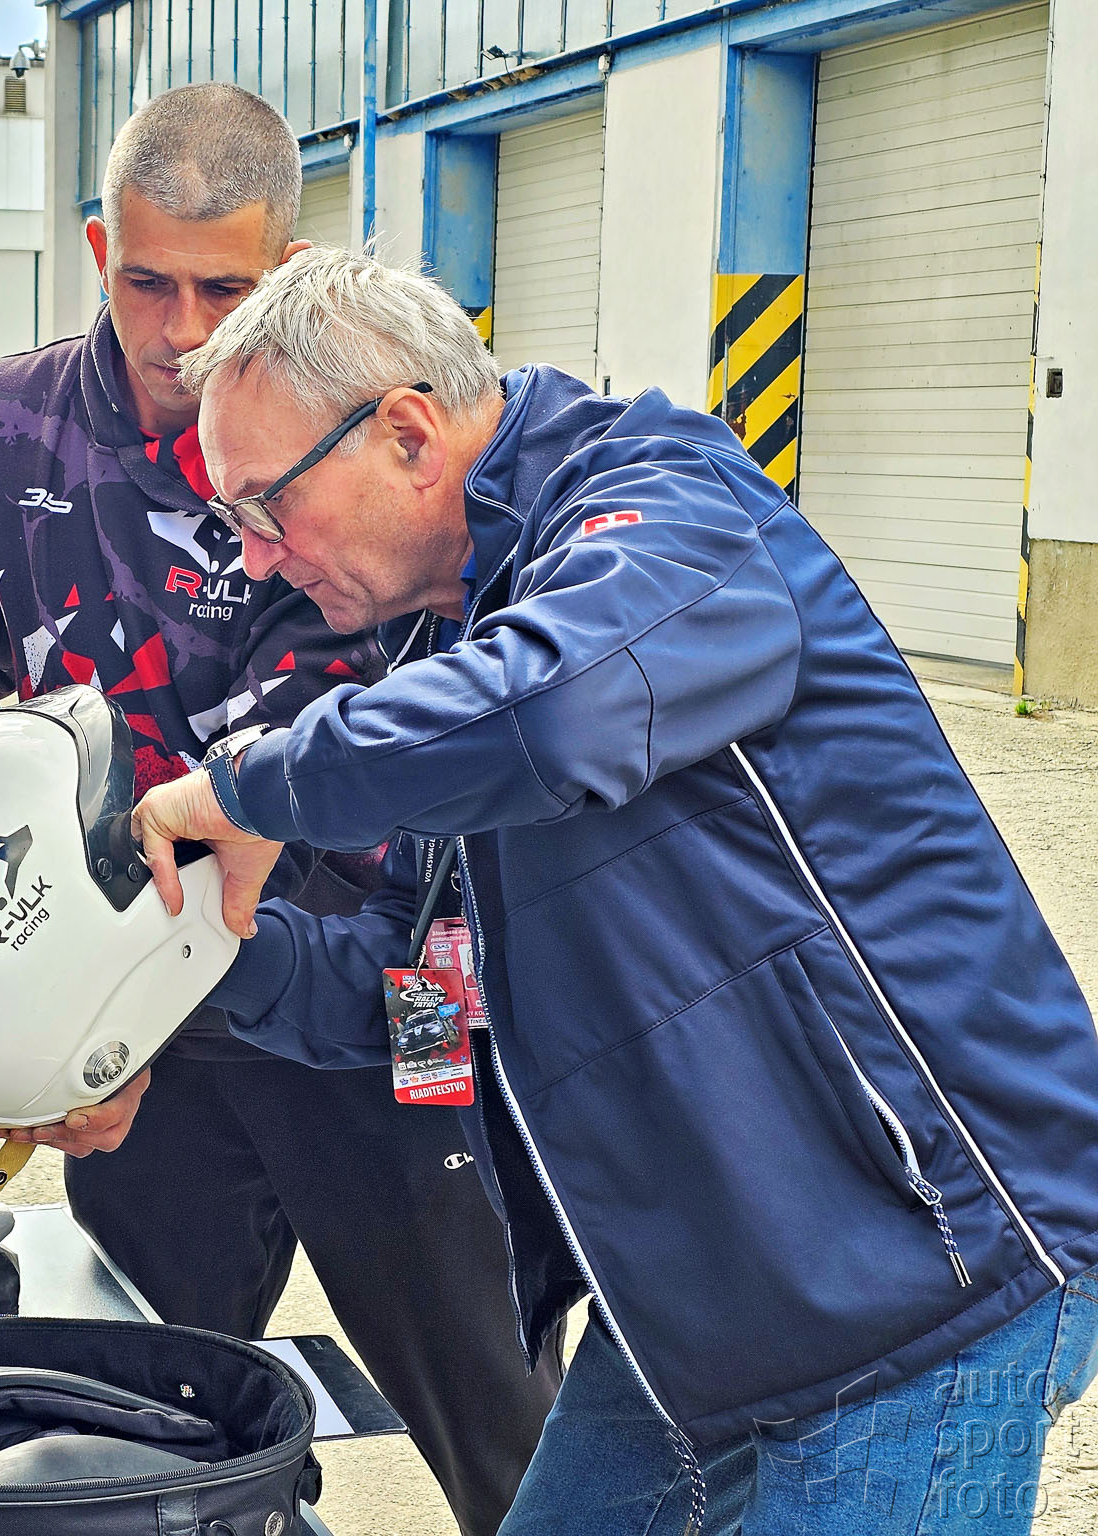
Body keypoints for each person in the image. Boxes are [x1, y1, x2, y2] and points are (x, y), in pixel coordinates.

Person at [131, 246, 1098, 1536]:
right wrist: (188, 951)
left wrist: (250, 788)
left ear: (407, 434)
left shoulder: (666, 508)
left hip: (912, 1275)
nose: (256, 561)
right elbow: (423, 1000)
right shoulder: (446, 643)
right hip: (693, 1299)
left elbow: (560, 709)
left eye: (265, 508)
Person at [0, 82, 560, 1536]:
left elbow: (438, 719)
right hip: (129, 1001)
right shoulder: (7, 425)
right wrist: (20, 1013)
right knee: (143, 1424)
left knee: (507, 1416)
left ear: (291, 271)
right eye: (146, 282)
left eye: (223, 289)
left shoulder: (368, 433)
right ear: (96, 246)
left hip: (379, 985)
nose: (182, 330)